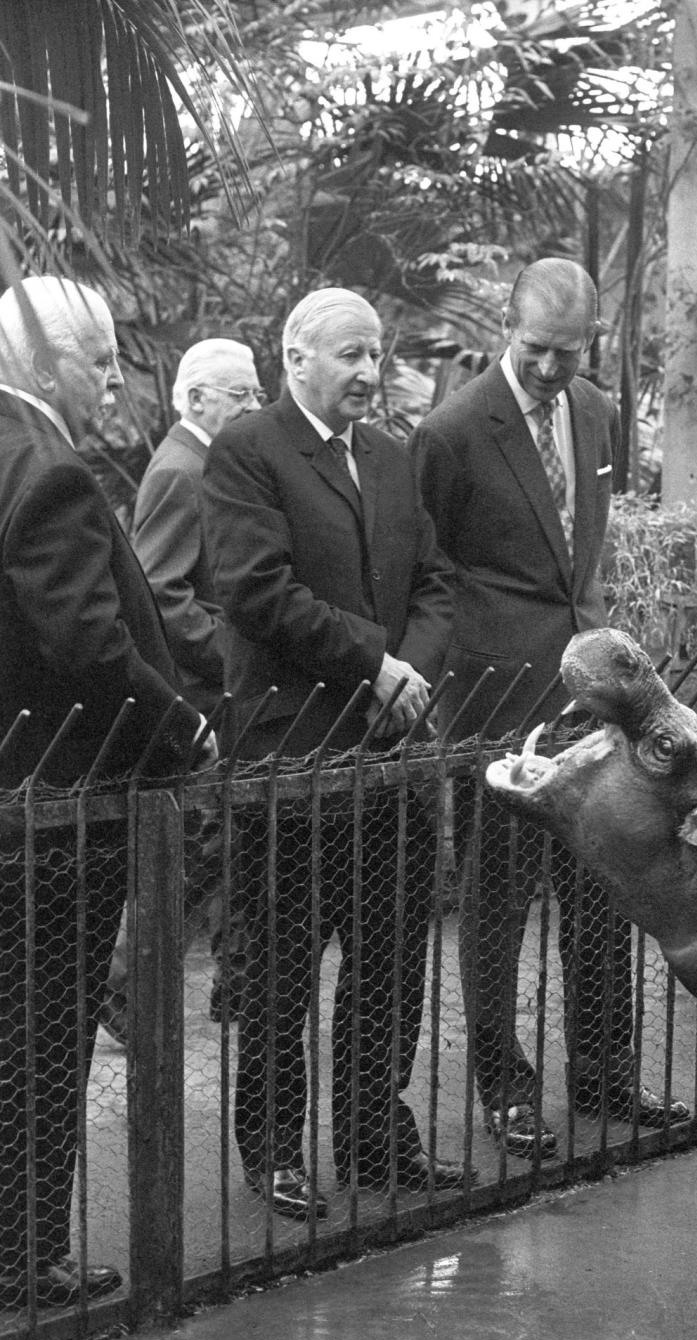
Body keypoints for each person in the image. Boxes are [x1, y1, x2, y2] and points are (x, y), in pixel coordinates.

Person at [410, 257, 689, 1158]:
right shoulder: (453, 430)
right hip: (494, 701)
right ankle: (507, 1089)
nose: (547, 370)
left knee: (606, 885)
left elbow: (583, 555)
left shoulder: (599, 411)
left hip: (590, 698)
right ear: (508, 328)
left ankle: (606, 1073)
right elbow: (430, 571)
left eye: (566, 354)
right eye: (535, 350)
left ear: (590, 342)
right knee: (496, 901)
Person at [201, 286, 471, 1220]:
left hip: (390, 753)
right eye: (350, 354)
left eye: (376, 354)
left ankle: (371, 1133)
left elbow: (437, 583)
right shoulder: (248, 451)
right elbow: (253, 589)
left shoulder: (392, 461)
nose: (367, 371)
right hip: (293, 761)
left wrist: (413, 676)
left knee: (390, 960)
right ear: (297, 357)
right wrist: (377, 662)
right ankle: (273, 1148)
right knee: (281, 972)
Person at [0, 275, 213, 1308]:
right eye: (99, 358)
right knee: (41, 1035)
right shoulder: (45, 468)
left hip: (18, 792)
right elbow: (88, 640)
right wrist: (179, 724)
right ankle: (20, 1257)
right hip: (54, 806)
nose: (115, 380)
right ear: (44, 362)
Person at [99, 338, 265, 1039]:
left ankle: (236, 982)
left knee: (230, 841)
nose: (257, 405)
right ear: (197, 399)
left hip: (216, 690)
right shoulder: (178, 470)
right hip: (199, 692)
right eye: (243, 394)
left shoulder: (208, 463)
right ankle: (121, 990)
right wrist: (237, 657)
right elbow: (162, 593)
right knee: (200, 851)